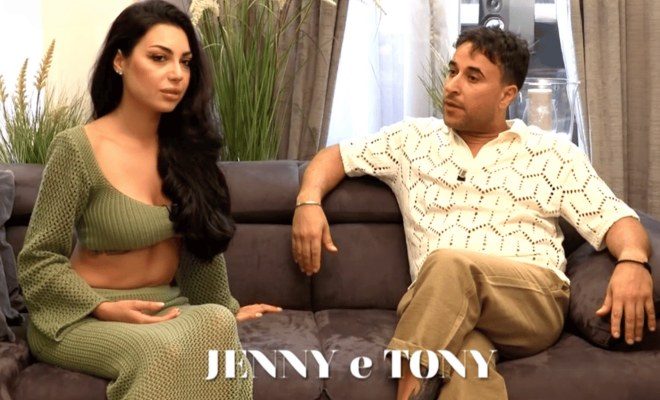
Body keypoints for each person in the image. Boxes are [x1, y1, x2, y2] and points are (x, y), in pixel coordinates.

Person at [292, 27, 654, 399]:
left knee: (449, 263)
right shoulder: (412, 140)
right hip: (442, 306)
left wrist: (633, 261)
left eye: (472, 77)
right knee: (469, 365)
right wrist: (308, 202)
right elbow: (337, 156)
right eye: (453, 71)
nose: (452, 86)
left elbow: (617, 218)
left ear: (506, 95)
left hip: (531, 302)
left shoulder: (552, 153)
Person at [17, 1, 281, 399]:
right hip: (83, 316)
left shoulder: (188, 151)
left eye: (185, 62)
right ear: (120, 61)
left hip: (164, 305)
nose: (177, 74)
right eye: (159, 58)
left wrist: (226, 308)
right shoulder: (77, 149)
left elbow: (200, 246)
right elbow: (39, 258)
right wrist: (100, 307)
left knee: (215, 323)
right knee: (163, 350)